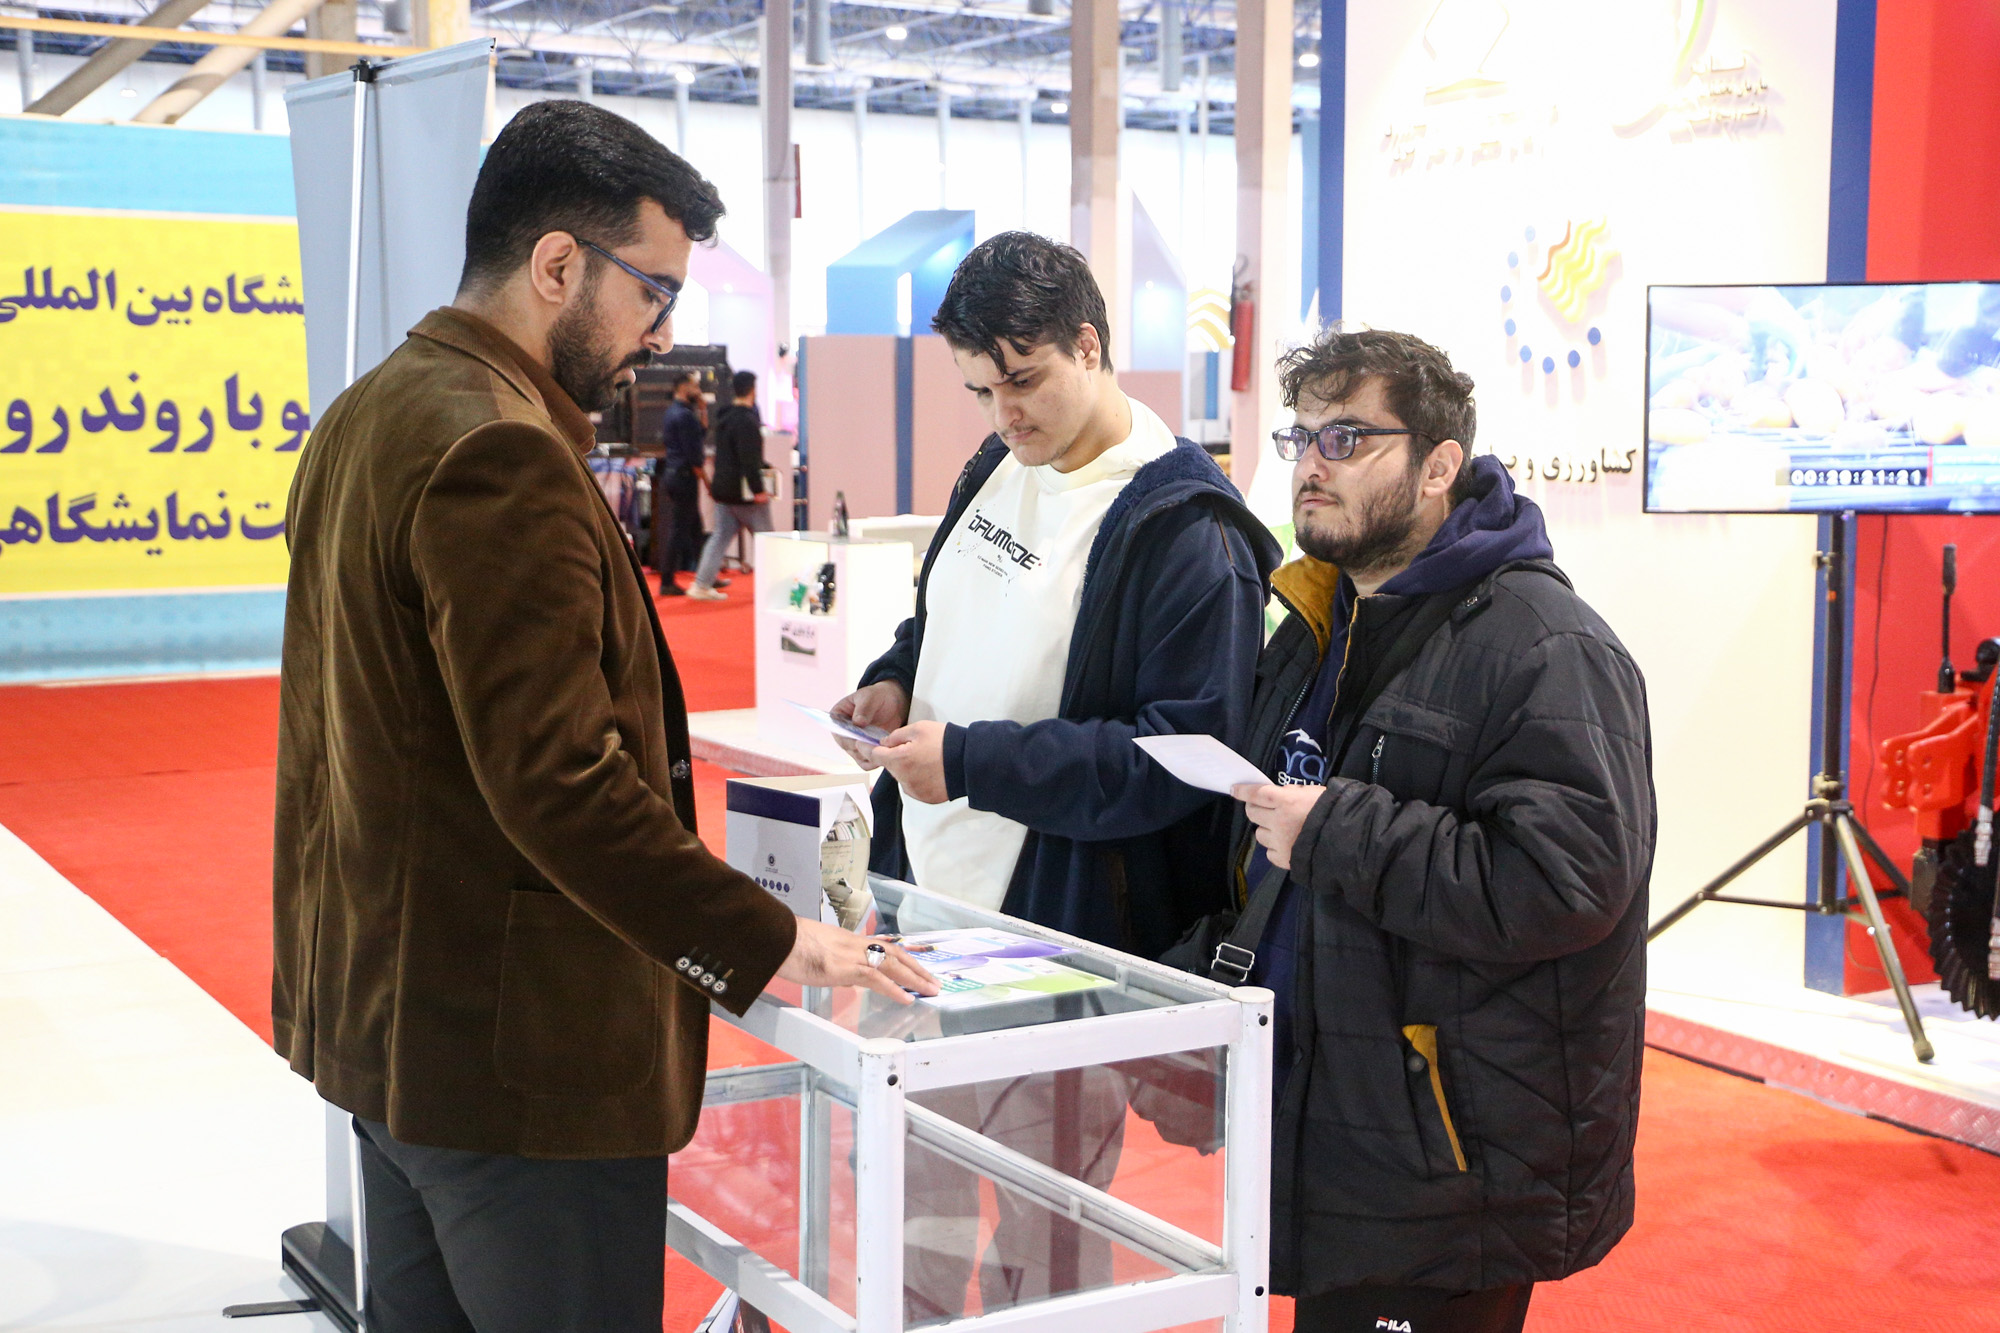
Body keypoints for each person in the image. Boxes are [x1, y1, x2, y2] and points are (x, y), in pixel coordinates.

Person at [272, 98, 935, 1333]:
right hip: (517, 1068)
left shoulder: (368, 412)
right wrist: (770, 939)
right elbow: (560, 782)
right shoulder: (500, 450)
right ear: (556, 266)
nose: (664, 331)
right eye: (652, 290)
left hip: (392, 1036)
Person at [828, 231, 1280, 1320]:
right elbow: (944, 616)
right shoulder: (997, 466)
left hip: (1053, 941)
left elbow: (1178, 759)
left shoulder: (1186, 531)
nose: (1003, 414)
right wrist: (893, 678)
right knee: (905, 1206)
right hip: (921, 910)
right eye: (981, 391)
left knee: (1044, 1241)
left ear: (1088, 343)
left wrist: (971, 761)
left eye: (1022, 381)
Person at [1204, 327, 1653, 1333]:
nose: (1312, 465)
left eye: (1347, 438)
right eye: (1301, 437)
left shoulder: (1546, 647)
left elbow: (1564, 883)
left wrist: (1337, 830)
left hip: (1450, 1157)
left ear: (1439, 464)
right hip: (1326, 1114)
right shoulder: (1318, 623)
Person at [686, 369, 767, 599]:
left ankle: (701, 584)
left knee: (720, 537)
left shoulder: (724, 418)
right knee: (766, 540)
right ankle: (773, 587)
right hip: (743, 493)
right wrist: (758, 489)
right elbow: (749, 459)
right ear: (752, 390)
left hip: (723, 489)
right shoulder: (747, 420)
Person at [651, 370, 707, 595]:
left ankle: (706, 575)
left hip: (674, 474)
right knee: (680, 529)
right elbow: (694, 454)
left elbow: (701, 433)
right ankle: (667, 581)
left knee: (695, 528)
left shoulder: (675, 412)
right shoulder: (684, 416)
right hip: (684, 477)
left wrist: (702, 408)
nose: (698, 391)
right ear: (684, 387)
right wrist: (707, 482)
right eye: (695, 386)